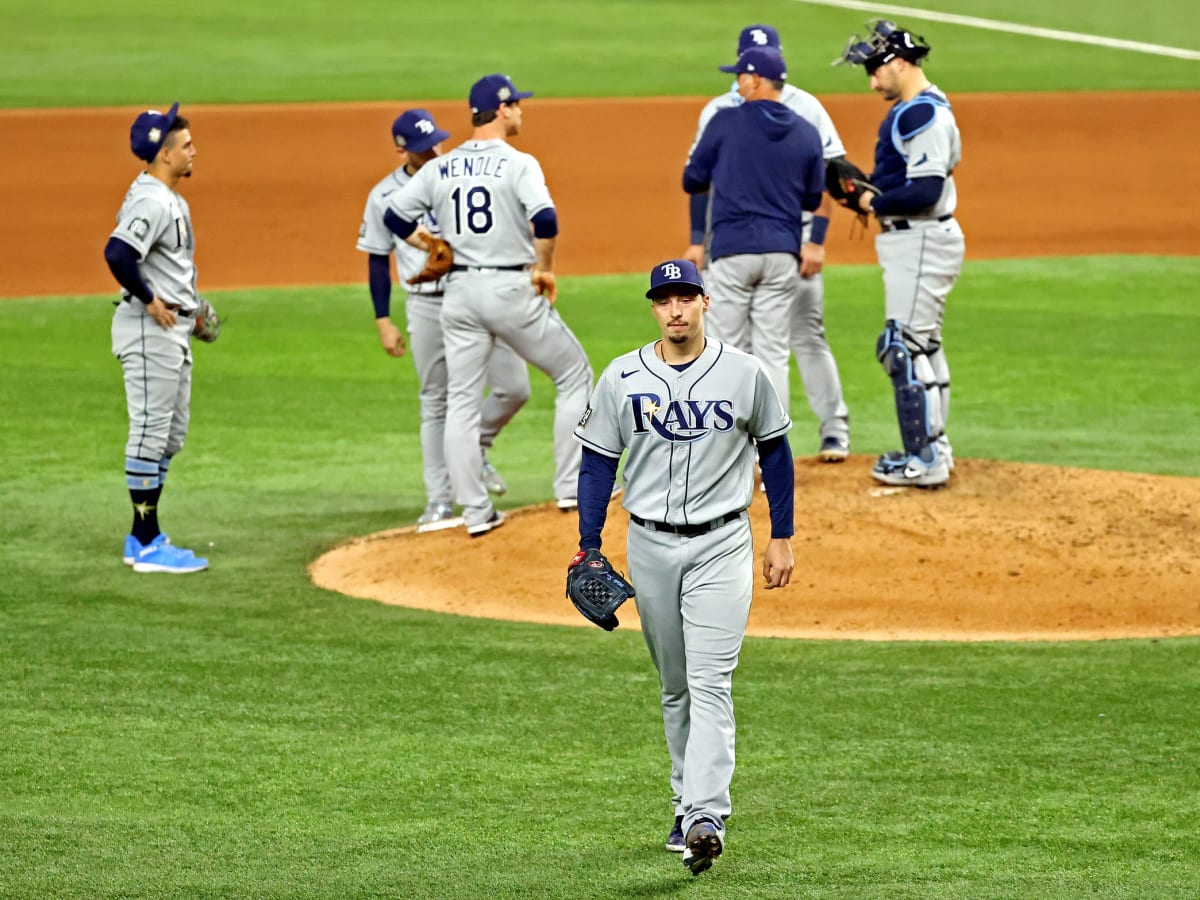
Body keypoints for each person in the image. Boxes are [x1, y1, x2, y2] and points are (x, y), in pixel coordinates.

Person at [571, 259, 796, 876]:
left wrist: (783, 535)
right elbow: (597, 466)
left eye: (685, 297)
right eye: (664, 299)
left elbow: (775, 453)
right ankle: (683, 803)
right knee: (675, 687)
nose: (675, 309)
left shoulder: (744, 373)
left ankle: (706, 814)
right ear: (653, 308)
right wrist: (588, 545)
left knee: (711, 681)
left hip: (724, 543)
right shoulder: (621, 376)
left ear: (704, 302)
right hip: (648, 545)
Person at [383, 74, 593, 536]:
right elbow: (547, 219)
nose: (521, 111)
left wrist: (429, 242)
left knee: (461, 400)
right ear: (501, 109)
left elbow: (393, 215)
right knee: (574, 373)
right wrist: (545, 268)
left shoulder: (440, 168)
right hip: (508, 289)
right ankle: (572, 487)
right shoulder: (519, 163)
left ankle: (476, 514)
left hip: (457, 297)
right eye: (517, 104)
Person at [357, 109, 530, 533]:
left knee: (514, 387)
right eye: (421, 146)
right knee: (436, 401)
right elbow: (377, 260)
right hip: (426, 305)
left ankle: (474, 449)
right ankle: (439, 500)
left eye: (435, 140)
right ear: (401, 150)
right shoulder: (384, 196)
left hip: (476, 294)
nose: (432, 149)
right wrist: (383, 319)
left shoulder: (455, 175)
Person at [685, 25, 852, 462]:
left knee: (800, 336)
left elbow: (831, 178)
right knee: (770, 351)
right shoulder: (720, 109)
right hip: (777, 247)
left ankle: (832, 429)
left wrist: (816, 242)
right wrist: (696, 241)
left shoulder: (805, 108)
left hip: (774, 243)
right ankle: (769, 451)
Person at [834, 20, 964, 487]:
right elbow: (906, 179)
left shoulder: (919, 114)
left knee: (901, 347)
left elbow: (926, 190)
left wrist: (872, 201)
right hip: (919, 238)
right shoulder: (927, 106)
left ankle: (924, 459)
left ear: (900, 62)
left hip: (921, 237)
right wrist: (864, 189)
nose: (872, 81)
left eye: (875, 70)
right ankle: (936, 451)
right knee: (922, 344)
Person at [102, 103, 209, 573]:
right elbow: (117, 253)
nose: (193, 151)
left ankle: (144, 534)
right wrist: (150, 299)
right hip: (150, 331)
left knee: (170, 436)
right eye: (185, 146)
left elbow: (169, 266)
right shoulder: (152, 200)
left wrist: (194, 309)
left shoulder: (168, 198)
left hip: (174, 328)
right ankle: (145, 544)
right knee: (149, 432)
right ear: (164, 154)